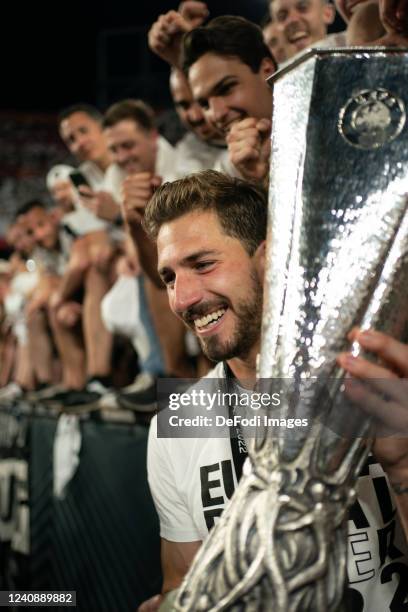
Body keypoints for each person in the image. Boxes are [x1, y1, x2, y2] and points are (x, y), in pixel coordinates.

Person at [141, 170, 408, 611]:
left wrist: (402, 469)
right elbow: (183, 583)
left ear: (271, 258)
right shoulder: (177, 423)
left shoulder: (375, 382)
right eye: (169, 277)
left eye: (203, 264)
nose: (183, 298)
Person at [269, 0, 346, 60]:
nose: (292, 20)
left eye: (303, 8)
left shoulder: (354, 50)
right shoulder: (270, 79)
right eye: (282, 16)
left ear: (327, 13)